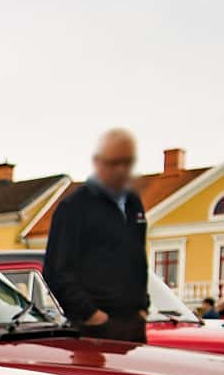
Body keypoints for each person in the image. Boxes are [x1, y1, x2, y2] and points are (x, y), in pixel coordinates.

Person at [42, 128, 149, 343]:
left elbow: (138, 260)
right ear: (98, 162)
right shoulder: (74, 207)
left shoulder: (133, 204)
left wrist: (142, 308)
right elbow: (56, 271)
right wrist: (92, 316)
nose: (120, 170)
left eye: (126, 163)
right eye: (114, 163)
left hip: (134, 325)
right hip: (95, 329)